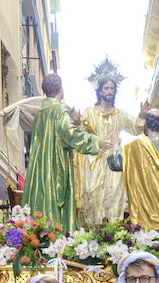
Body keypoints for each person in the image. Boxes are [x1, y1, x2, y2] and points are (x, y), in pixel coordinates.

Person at [20, 73, 103, 233]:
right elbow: (70, 135)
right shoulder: (60, 109)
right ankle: (56, 240)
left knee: (42, 203)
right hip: (55, 167)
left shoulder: (40, 113)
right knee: (56, 210)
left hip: (40, 170)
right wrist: (96, 142)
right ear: (61, 90)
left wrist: (75, 123)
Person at [76, 60, 145, 226]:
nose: (109, 91)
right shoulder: (89, 113)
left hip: (114, 162)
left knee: (114, 196)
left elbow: (136, 128)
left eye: (112, 88)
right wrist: (78, 124)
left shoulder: (119, 115)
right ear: (100, 91)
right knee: (92, 197)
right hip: (93, 162)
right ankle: (92, 235)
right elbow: (78, 134)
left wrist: (142, 115)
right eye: (106, 88)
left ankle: (111, 234)